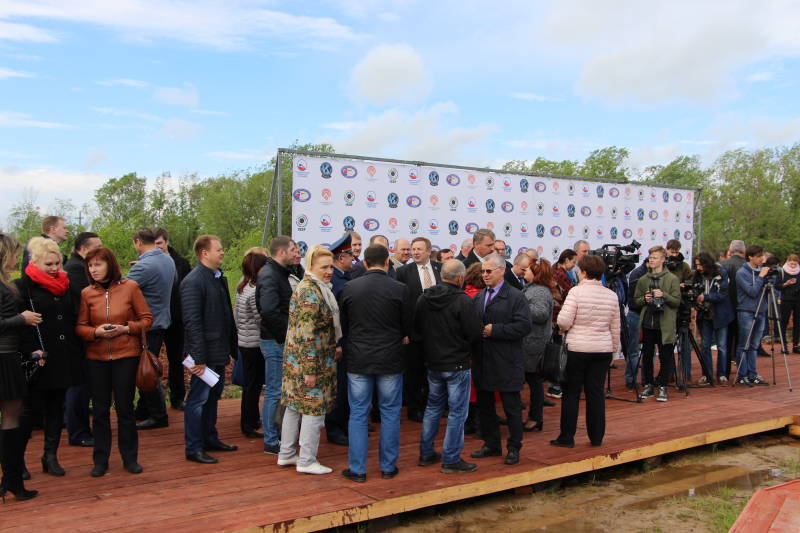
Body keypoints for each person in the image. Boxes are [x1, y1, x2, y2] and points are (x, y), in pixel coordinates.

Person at [75, 246, 152, 476]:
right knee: (100, 410)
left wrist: (125, 328)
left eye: (98, 264)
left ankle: (130, 458)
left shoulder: (130, 287)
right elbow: (80, 327)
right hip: (96, 358)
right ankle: (100, 460)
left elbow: (147, 319)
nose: (93, 269)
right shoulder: (87, 293)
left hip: (125, 355)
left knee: (125, 408)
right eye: (90, 265)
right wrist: (95, 333)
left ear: (110, 264)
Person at [340, 245, 411, 482]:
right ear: (387, 261)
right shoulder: (400, 289)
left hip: (359, 359)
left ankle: (357, 469)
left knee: (358, 413)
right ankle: (388, 467)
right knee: (390, 412)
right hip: (390, 359)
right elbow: (407, 326)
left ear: (365, 263)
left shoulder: (350, 287)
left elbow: (344, 326)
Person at [15, 237, 81, 478]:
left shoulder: (67, 285)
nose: (54, 268)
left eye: (57, 263)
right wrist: (31, 350)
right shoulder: (22, 286)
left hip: (62, 356)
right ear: (35, 263)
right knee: (29, 412)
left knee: (56, 408)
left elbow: (73, 317)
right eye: (48, 264)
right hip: (36, 358)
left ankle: (50, 456)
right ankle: (17, 461)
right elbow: (19, 325)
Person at [277, 246, 341, 475]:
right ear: (311, 266)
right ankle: (306, 460)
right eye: (324, 267)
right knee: (314, 410)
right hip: (310, 363)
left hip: (301, 362)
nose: (329, 271)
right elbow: (307, 334)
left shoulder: (315, 288)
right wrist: (310, 370)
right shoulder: (310, 292)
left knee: (294, 407)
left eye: (331, 266)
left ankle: (286, 454)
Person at [415, 259, 481, 474]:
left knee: (433, 408)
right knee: (457, 412)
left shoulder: (424, 298)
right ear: (460, 278)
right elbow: (474, 333)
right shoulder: (462, 300)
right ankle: (451, 459)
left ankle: (426, 453)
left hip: (433, 363)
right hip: (457, 364)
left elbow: (417, 329)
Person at [552, 255, 620, 448]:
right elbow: (615, 327)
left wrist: (564, 329)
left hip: (578, 349)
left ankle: (567, 438)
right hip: (602, 350)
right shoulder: (611, 295)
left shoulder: (576, 292)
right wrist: (613, 351)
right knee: (596, 394)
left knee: (571, 393)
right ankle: (596, 438)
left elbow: (563, 321)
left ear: (583, 272)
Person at [182, 235, 239, 464]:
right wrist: (198, 358)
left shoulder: (217, 278)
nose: (223, 252)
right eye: (219, 249)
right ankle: (194, 447)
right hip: (203, 354)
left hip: (217, 350)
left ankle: (209, 438)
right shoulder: (194, 281)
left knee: (213, 397)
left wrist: (232, 348)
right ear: (204, 253)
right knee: (198, 400)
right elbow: (192, 322)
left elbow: (225, 316)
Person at [470, 253, 531, 466]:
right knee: (485, 407)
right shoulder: (479, 297)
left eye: (489, 271)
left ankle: (514, 447)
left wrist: (496, 330)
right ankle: (491, 444)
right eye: (483, 271)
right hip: (483, 361)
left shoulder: (516, 296)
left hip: (507, 361)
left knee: (511, 408)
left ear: (501, 271)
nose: (485, 275)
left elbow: (524, 326)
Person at [0, 233, 41, 501]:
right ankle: (12, 480)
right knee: (12, 419)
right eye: (15, 253)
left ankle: (11, 479)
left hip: (9, 355)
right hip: (4, 358)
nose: (17, 258)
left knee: (12, 418)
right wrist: (21, 319)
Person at [128, 228, 177, 431]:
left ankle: (158, 415)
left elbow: (121, 291)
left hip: (147, 326)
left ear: (138, 242)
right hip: (162, 320)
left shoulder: (143, 266)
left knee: (145, 370)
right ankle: (144, 410)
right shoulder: (168, 260)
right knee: (149, 365)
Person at [396, 237, 442, 422]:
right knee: (414, 372)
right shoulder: (402, 272)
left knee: (435, 371)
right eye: (413, 249)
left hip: (438, 331)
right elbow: (400, 304)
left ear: (429, 251)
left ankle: (433, 406)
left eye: (418, 249)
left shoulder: (440, 269)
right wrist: (404, 332)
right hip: (414, 332)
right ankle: (414, 408)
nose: (414, 252)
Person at [63, 231, 102, 448]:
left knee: (83, 385)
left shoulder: (79, 266)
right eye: (97, 246)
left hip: (82, 334)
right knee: (78, 385)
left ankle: (81, 428)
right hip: (78, 337)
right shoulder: (76, 269)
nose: (101, 250)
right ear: (84, 248)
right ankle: (78, 432)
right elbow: (86, 302)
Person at [256, 235, 294, 454]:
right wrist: (285, 335)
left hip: (278, 339)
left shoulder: (279, 273)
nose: (296, 254)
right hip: (275, 341)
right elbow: (269, 311)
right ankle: (270, 440)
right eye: (292, 250)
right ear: (282, 252)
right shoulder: (270, 274)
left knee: (279, 390)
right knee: (273, 391)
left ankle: (277, 434)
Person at [635, 246, 680, 402]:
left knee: (665, 357)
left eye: (654, 258)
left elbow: (677, 302)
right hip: (648, 323)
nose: (652, 260)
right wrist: (645, 299)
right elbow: (636, 301)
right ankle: (648, 385)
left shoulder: (672, 279)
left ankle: (663, 387)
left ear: (662, 259)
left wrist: (664, 295)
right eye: (650, 257)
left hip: (665, 324)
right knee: (647, 356)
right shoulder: (643, 280)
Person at [154, 228, 192, 410]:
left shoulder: (181, 263)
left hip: (176, 318)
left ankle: (177, 398)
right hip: (156, 319)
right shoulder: (148, 263)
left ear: (167, 242)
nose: (157, 247)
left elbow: (188, 289)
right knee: (150, 360)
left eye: (160, 243)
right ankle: (150, 403)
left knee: (176, 359)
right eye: (154, 244)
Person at [234, 247, 268, 438]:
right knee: (253, 386)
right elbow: (260, 318)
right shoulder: (254, 291)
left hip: (245, 342)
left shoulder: (242, 287)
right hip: (254, 344)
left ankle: (251, 420)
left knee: (250, 385)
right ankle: (249, 424)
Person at [521, 258, 555, 433]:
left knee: (534, 381)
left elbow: (541, 314)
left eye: (528, 269)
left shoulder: (539, 291)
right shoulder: (534, 289)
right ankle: (534, 417)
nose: (524, 271)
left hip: (533, 345)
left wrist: (519, 308)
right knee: (533, 381)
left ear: (536, 274)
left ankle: (535, 418)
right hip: (530, 343)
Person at [692, 252, 735, 385]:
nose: (698, 268)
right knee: (705, 346)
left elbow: (722, 294)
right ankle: (706, 374)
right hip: (704, 315)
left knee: (722, 346)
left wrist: (706, 297)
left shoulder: (721, 272)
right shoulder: (697, 275)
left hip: (720, 314)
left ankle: (722, 374)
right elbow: (694, 290)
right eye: (696, 265)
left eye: (700, 265)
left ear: (707, 264)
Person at [734, 245, 770, 386]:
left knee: (754, 345)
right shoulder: (742, 273)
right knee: (744, 344)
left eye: (762, 256)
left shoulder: (762, 270)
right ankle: (742, 374)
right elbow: (752, 292)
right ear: (750, 257)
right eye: (759, 256)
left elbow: (770, 289)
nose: (762, 259)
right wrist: (761, 277)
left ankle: (752, 374)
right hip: (746, 311)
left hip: (760, 310)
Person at [721, 240, 747, 377]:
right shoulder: (747, 266)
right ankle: (742, 372)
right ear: (744, 251)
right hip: (743, 307)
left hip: (725, 307)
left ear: (730, 250)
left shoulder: (722, 264)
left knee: (725, 341)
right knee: (742, 341)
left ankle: (724, 372)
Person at [625, 256, 649, 388]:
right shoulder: (637, 274)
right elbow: (634, 300)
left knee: (650, 350)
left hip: (651, 315)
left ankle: (647, 379)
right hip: (636, 314)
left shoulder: (660, 273)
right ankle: (631, 379)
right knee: (634, 349)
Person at [778, 254, 800, 353]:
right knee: (784, 321)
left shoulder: (799, 271)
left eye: (795, 264)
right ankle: (784, 345)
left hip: (798, 299)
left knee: (797, 322)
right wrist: (786, 284)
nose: (793, 266)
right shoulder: (782, 271)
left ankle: (795, 345)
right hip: (786, 299)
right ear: (787, 262)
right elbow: (777, 286)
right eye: (791, 263)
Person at [329, 234, 354, 299]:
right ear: (341, 259)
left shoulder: (344, 275)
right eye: (351, 255)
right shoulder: (332, 280)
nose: (353, 259)